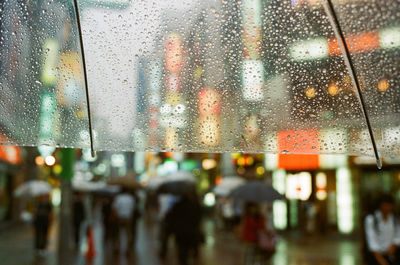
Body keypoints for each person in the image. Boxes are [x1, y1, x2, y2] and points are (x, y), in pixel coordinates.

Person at [166, 192, 203, 265]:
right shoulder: (194, 205)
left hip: (180, 233)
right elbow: (199, 217)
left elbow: (170, 218)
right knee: (192, 249)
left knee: (182, 252)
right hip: (192, 232)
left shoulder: (177, 206)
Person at [364, 194, 400, 265]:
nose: (387, 208)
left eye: (389, 205)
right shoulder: (371, 219)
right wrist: (380, 260)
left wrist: (393, 246)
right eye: (385, 205)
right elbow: (372, 241)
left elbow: (398, 236)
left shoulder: (395, 218)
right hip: (376, 255)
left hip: (392, 253)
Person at [112, 190, 136, 254]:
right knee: (128, 234)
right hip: (128, 217)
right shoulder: (131, 198)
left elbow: (115, 208)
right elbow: (133, 208)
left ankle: (117, 247)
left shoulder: (118, 198)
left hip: (120, 217)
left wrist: (116, 215)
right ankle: (128, 249)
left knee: (118, 233)